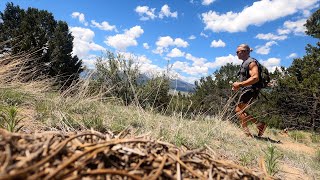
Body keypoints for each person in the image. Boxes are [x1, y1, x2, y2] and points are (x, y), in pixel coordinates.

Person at [232, 44, 267, 137]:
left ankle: (248, 134)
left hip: (251, 90)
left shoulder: (251, 62)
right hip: (248, 90)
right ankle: (260, 125)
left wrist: (240, 84)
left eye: (237, 52)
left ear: (244, 52)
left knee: (238, 110)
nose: (236, 54)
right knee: (240, 110)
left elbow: (255, 77)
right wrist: (238, 85)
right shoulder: (246, 62)